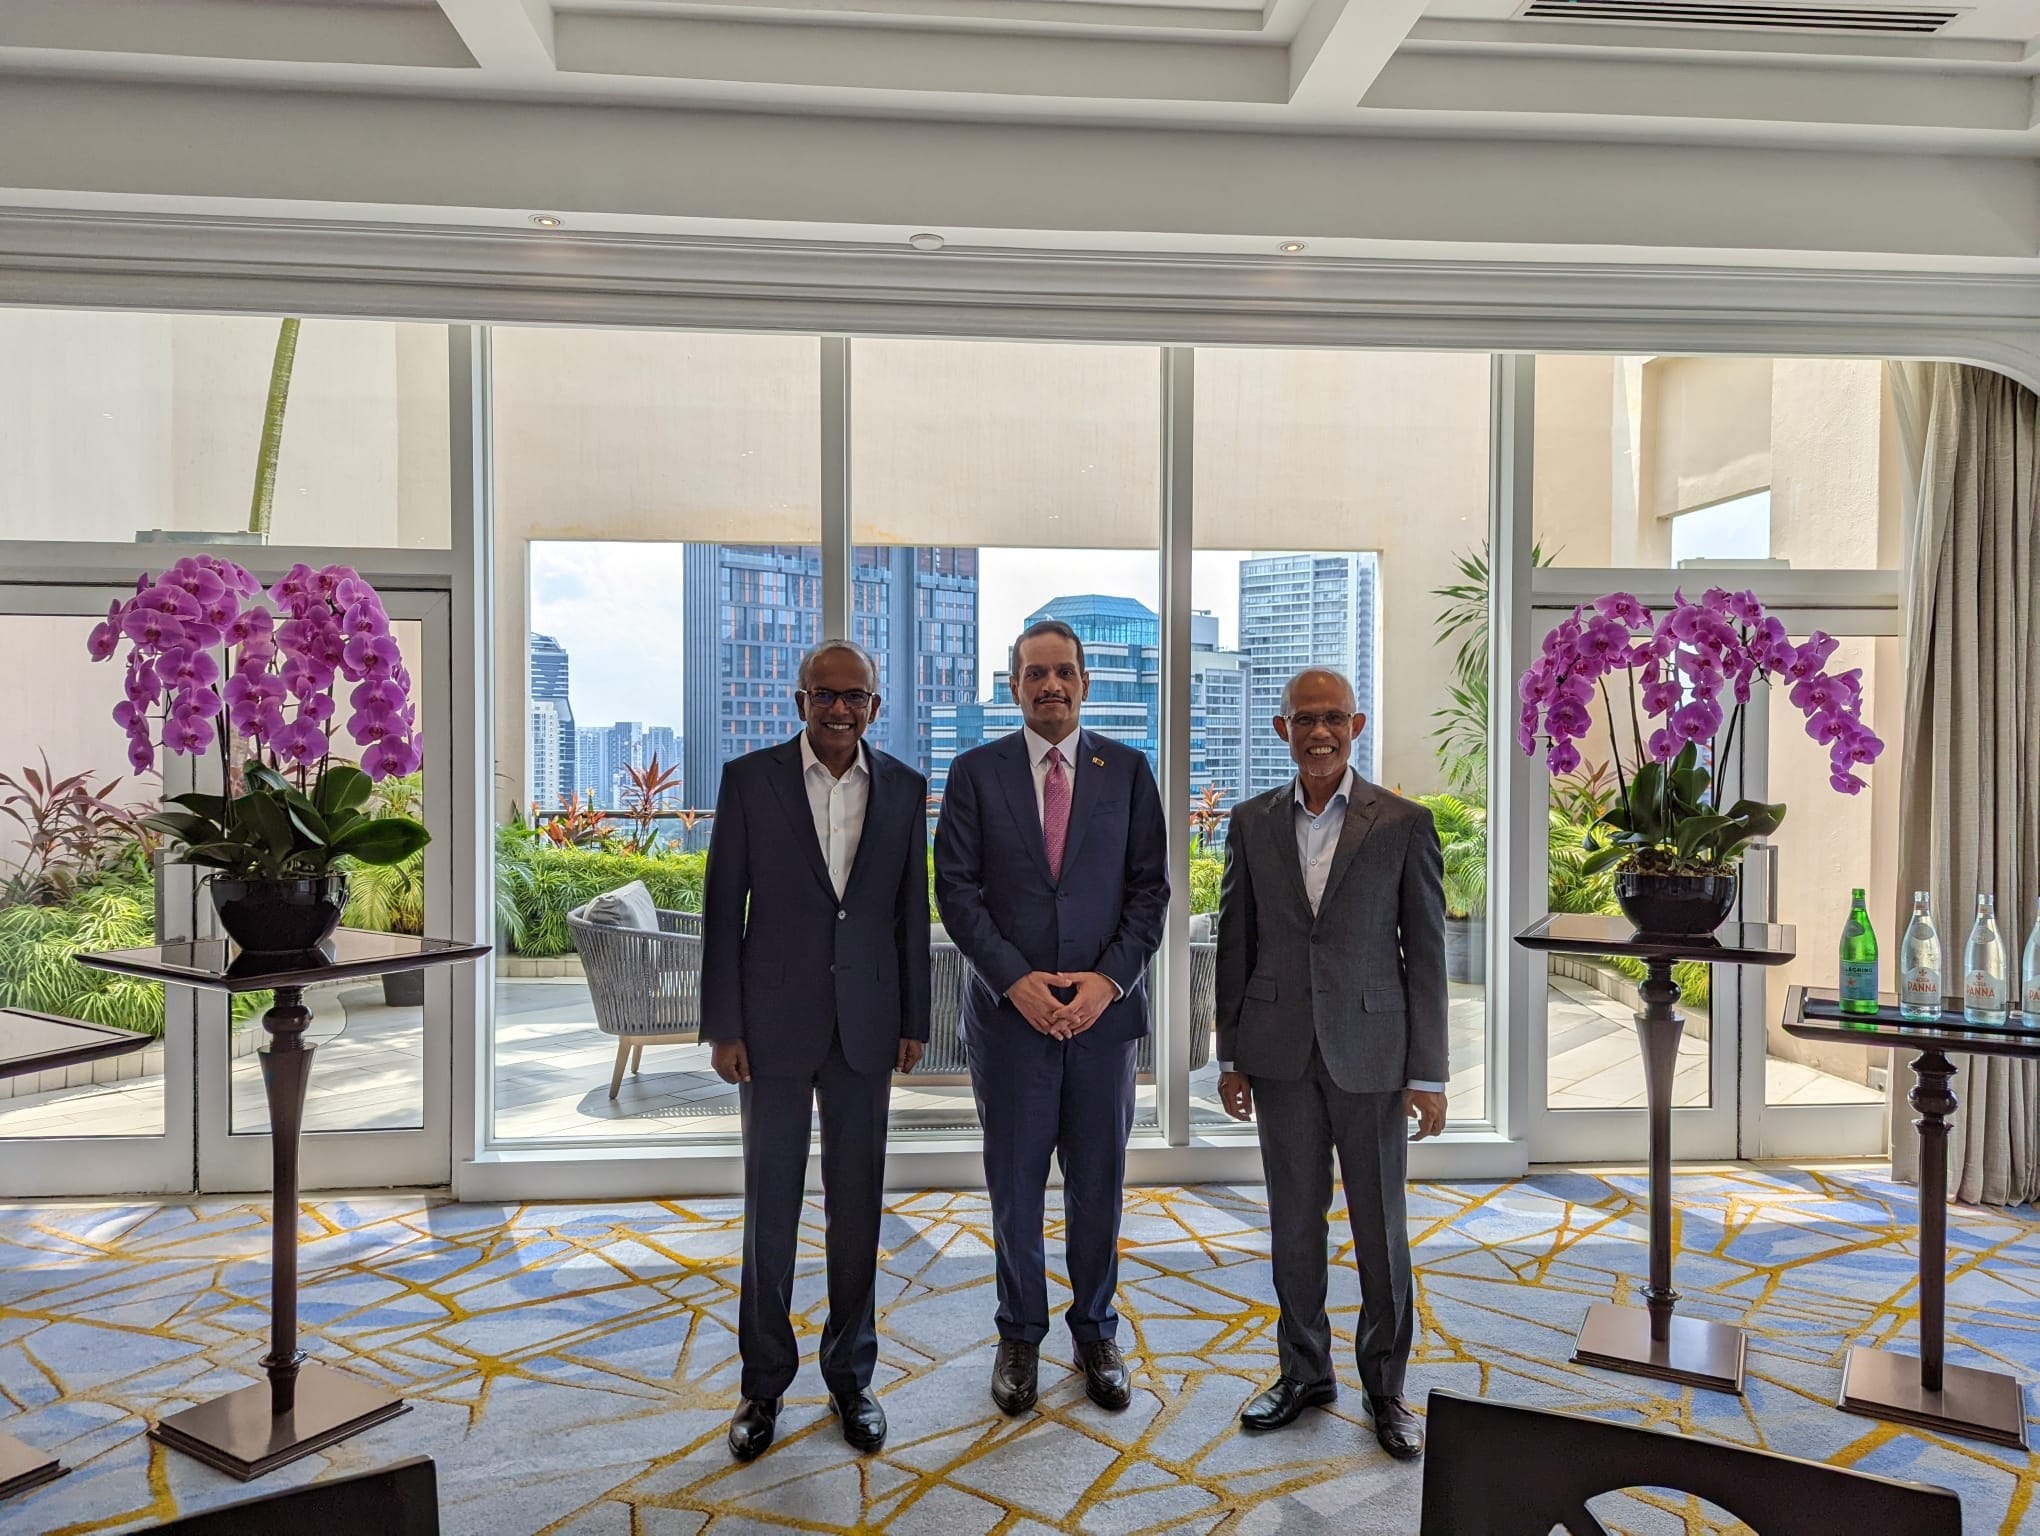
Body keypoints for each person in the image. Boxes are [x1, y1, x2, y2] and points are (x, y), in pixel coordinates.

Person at [700, 638, 932, 1462]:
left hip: (867, 1023)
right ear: (799, 700)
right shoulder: (750, 779)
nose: (841, 708)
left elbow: (912, 912)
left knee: (857, 1204)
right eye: (826, 694)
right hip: (768, 1026)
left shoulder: (905, 788)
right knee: (771, 1208)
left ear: (877, 704)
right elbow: (723, 905)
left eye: (856, 696)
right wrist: (723, 1026)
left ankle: (850, 1375)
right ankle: (762, 1384)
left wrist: (916, 1019)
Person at [933, 618, 1169, 1415]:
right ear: (1014, 687)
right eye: (1035, 673)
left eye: (1064, 671)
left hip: (1104, 1025)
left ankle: (1095, 1330)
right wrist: (1018, 984)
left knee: (1098, 1188)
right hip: (1009, 1025)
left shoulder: (1129, 771)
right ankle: (1019, 1333)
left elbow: (1149, 895)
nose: (1051, 685)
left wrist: (1106, 984)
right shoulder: (974, 772)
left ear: (1085, 683)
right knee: (1015, 1189)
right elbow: (957, 894)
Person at [1213, 666, 1448, 1461]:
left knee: (1382, 1233)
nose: (1320, 733)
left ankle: (1387, 1388)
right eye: (1304, 719)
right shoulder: (1249, 822)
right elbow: (1234, 945)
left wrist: (1431, 1073)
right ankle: (1304, 1373)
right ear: (1281, 730)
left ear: (1358, 724)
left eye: (1334, 719)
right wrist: (1231, 1054)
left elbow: (1427, 956)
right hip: (1278, 1056)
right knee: (1293, 1228)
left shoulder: (1404, 824)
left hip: (1373, 1056)